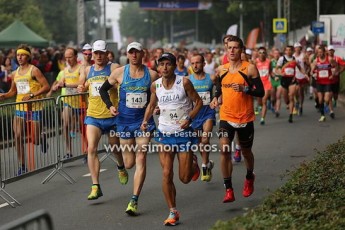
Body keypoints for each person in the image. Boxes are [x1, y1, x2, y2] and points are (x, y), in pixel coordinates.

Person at [140, 52, 202, 226]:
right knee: (167, 173)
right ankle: (173, 211)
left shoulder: (184, 82)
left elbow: (198, 103)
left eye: (168, 64)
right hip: (165, 134)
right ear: (158, 67)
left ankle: (193, 164)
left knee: (184, 178)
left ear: (174, 66)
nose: (164, 68)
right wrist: (145, 121)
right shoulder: (155, 86)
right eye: (161, 64)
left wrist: (189, 118)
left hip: (183, 134)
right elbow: (152, 105)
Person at [99, 42, 159, 216]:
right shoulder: (119, 73)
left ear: (142, 54)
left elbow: (161, 93)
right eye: (130, 52)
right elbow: (103, 90)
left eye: (136, 52)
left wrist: (157, 107)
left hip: (143, 123)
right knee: (129, 162)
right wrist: (110, 106)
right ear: (127, 54)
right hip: (124, 122)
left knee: (141, 158)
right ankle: (121, 168)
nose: (133, 55)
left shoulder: (152, 75)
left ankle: (134, 200)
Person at [210, 35, 264, 203]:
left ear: (241, 51)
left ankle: (249, 177)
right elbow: (219, 88)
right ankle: (229, 189)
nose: (232, 50)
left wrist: (245, 89)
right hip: (226, 116)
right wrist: (216, 97)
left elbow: (260, 92)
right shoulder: (221, 69)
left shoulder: (250, 69)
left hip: (245, 117)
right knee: (224, 149)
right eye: (229, 48)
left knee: (246, 152)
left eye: (235, 47)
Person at [77, 40, 128, 200]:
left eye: (102, 53)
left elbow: (123, 82)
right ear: (92, 54)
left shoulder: (113, 68)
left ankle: (120, 166)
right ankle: (95, 186)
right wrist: (81, 87)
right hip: (93, 116)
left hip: (111, 116)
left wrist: (115, 86)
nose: (99, 56)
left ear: (107, 54)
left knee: (115, 147)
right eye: (96, 53)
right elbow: (82, 85)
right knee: (91, 148)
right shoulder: (87, 69)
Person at [0, 44, 50, 175]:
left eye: (22, 55)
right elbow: (13, 91)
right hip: (20, 108)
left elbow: (46, 87)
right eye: (17, 55)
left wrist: (32, 95)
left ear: (27, 56)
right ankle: (22, 165)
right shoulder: (15, 73)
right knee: (17, 136)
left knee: (35, 140)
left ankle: (42, 138)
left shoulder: (34, 70)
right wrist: (4, 96)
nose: (19, 57)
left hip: (34, 109)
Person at [51, 48, 87, 160]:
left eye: (70, 57)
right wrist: (57, 85)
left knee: (83, 129)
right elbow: (61, 81)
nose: (68, 60)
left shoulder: (82, 68)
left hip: (81, 103)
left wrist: (66, 85)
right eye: (66, 58)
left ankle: (87, 150)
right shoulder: (65, 70)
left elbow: (81, 82)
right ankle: (68, 151)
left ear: (76, 56)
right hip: (68, 102)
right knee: (65, 125)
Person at [188, 53, 216, 182]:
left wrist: (217, 98)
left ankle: (204, 166)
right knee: (200, 143)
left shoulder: (211, 78)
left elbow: (219, 90)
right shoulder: (188, 80)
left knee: (205, 140)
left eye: (198, 63)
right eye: (193, 63)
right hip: (195, 115)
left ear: (204, 64)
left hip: (208, 113)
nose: (195, 65)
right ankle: (207, 163)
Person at [275, 45, 307, 123]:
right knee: (286, 99)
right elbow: (277, 68)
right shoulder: (282, 59)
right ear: (285, 51)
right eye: (287, 50)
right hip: (284, 80)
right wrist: (280, 73)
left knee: (291, 96)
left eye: (290, 50)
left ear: (292, 51)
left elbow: (300, 68)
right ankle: (289, 105)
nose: (288, 51)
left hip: (292, 80)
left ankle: (290, 115)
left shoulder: (294, 59)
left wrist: (305, 74)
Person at [310, 45, 338, 122]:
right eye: (318, 52)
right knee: (320, 100)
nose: (320, 54)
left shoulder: (329, 59)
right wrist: (313, 73)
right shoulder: (316, 61)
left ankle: (328, 105)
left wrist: (333, 75)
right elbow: (312, 70)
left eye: (321, 52)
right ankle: (322, 116)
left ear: (324, 52)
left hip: (327, 82)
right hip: (319, 82)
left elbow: (336, 66)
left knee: (326, 99)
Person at [255, 47, 272, 125]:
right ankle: (259, 106)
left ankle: (262, 118)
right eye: (260, 52)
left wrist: (275, 76)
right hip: (258, 84)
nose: (262, 54)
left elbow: (271, 72)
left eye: (263, 53)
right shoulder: (255, 62)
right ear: (258, 54)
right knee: (260, 101)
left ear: (266, 54)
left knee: (264, 100)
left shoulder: (269, 62)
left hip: (267, 83)